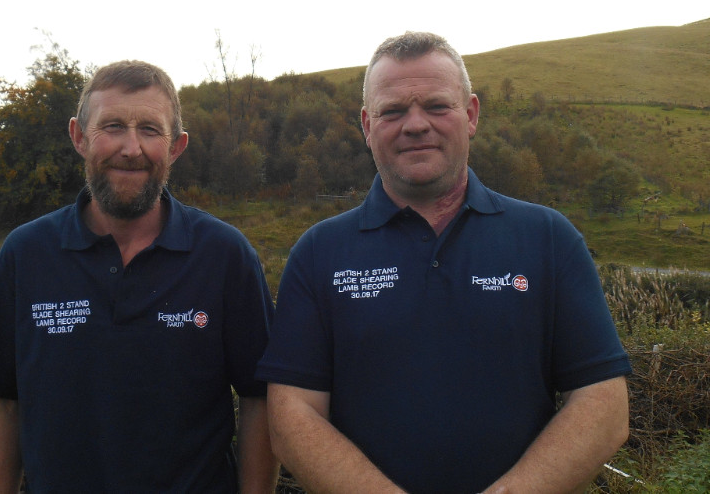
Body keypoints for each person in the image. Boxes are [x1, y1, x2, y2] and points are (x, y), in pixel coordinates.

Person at [256, 32, 631, 493]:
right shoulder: (319, 252)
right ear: (366, 125)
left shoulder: (548, 239)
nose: (416, 124)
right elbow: (292, 415)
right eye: (392, 111)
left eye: (436, 106)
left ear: (470, 114)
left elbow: (603, 404)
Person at [0, 60, 278, 493]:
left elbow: (260, 399)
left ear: (176, 147)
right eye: (112, 126)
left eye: (150, 130)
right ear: (78, 136)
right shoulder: (26, 254)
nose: (132, 148)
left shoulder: (225, 256)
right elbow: (0, 402)